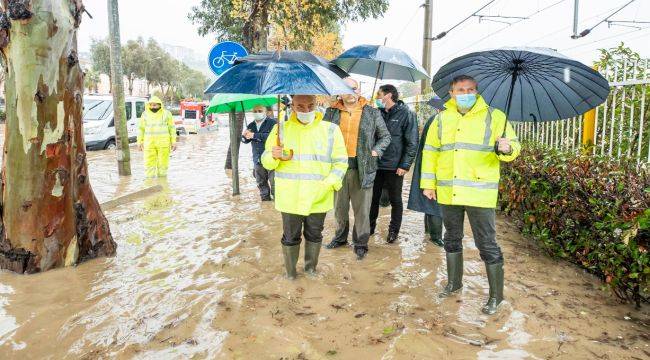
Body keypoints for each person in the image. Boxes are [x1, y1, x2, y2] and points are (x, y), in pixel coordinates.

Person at [421, 74, 521, 315]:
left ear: (477, 91)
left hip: (479, 194)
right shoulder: (441, 119)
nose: (465, 94)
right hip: (449, 191)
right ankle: (454, 284)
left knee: (487, 244)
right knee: (452, 238)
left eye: (470, 90)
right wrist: (428, 183)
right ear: (452, 93)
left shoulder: (495, 117)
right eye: (460, 90)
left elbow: (513, 148)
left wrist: (507, 149)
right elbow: (431, 152)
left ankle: (496, 297)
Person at [261, 95, 348, 279]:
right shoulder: (280, 129)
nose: (306, 111)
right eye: (300, 106)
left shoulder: (331, 130)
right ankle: (290, 274)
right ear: (291, 106)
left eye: (311, 106)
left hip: (319, 197)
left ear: (317, 105)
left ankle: (310, 270)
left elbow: (340, 163)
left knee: (315, 234)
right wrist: (273, 156)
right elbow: (266, 162)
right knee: (290, 237)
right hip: (289, 198)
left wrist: (328, 185)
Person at [322, 77, 391, 260]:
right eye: (345, 88)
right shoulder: (331, 112)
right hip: (338, 168)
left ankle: (361, 243)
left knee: (362, 210)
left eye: (353, 88)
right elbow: (321, 137)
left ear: (359, 91)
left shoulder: (372, 113)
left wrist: (376, 150)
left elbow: (385, 137)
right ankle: (340, 238)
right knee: (339, 208)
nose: (350, 92)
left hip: (364, 168)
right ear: (339, 90)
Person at [369, 84, 418, 243]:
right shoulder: (377, 113)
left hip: (395, 166)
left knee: (396, 200)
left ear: (388, 95)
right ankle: (369, 229)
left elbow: (412, 142)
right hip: (376, 164)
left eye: (379, 94)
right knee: (373, 199)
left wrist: (405, 165)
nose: (377, 97)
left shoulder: (406, 114)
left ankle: (393, 232)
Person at [407, 98, 445, 247]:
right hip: (437, 169)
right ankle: (436, 237)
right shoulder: (438, 121)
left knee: (430, 202)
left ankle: (429, 232)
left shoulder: (432, 120)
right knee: (436, 204)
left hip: (429, 168)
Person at [242, 105, 277, 201]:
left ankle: (275, 207)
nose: (257, 113)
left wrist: (255, 135)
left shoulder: (273, 123)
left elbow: (272, 137)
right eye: (255, 111)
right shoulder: (251, 125)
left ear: (265, 112)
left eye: (260, 110)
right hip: (257, 159)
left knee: (275, 183)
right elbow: (245, 141)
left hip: (271, 159)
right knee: (261, 184)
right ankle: (265, 204)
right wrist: (245, 136)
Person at [137, 96, 177, 178]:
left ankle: (162, 183)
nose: (152, 107)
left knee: (163, 164)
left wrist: (173, 141)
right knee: (149, 164)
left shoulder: (166, 114)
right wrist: (139, 142)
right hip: (149, 144)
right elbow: (141, 129)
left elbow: (172, 128)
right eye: (151, 105)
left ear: (160, 105)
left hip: (163, 144)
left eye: (154, 105)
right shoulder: (145, 114)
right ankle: (149, 183)